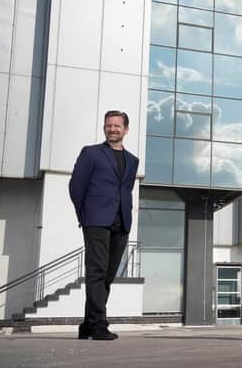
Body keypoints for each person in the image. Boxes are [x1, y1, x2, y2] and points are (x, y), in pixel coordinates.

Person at [69, 110, 139, 340]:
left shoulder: (132, 160)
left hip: (121, 222)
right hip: (96, 221)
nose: (112, 129)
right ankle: (99, 325)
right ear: (104, 128)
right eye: (108, 125)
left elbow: (125, 190)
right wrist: (85, 215)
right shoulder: (91, 153)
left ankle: (88, 325)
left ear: (126, 129)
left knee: (107, 276)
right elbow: (76, 186)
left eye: (117, 126)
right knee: (96, 272)